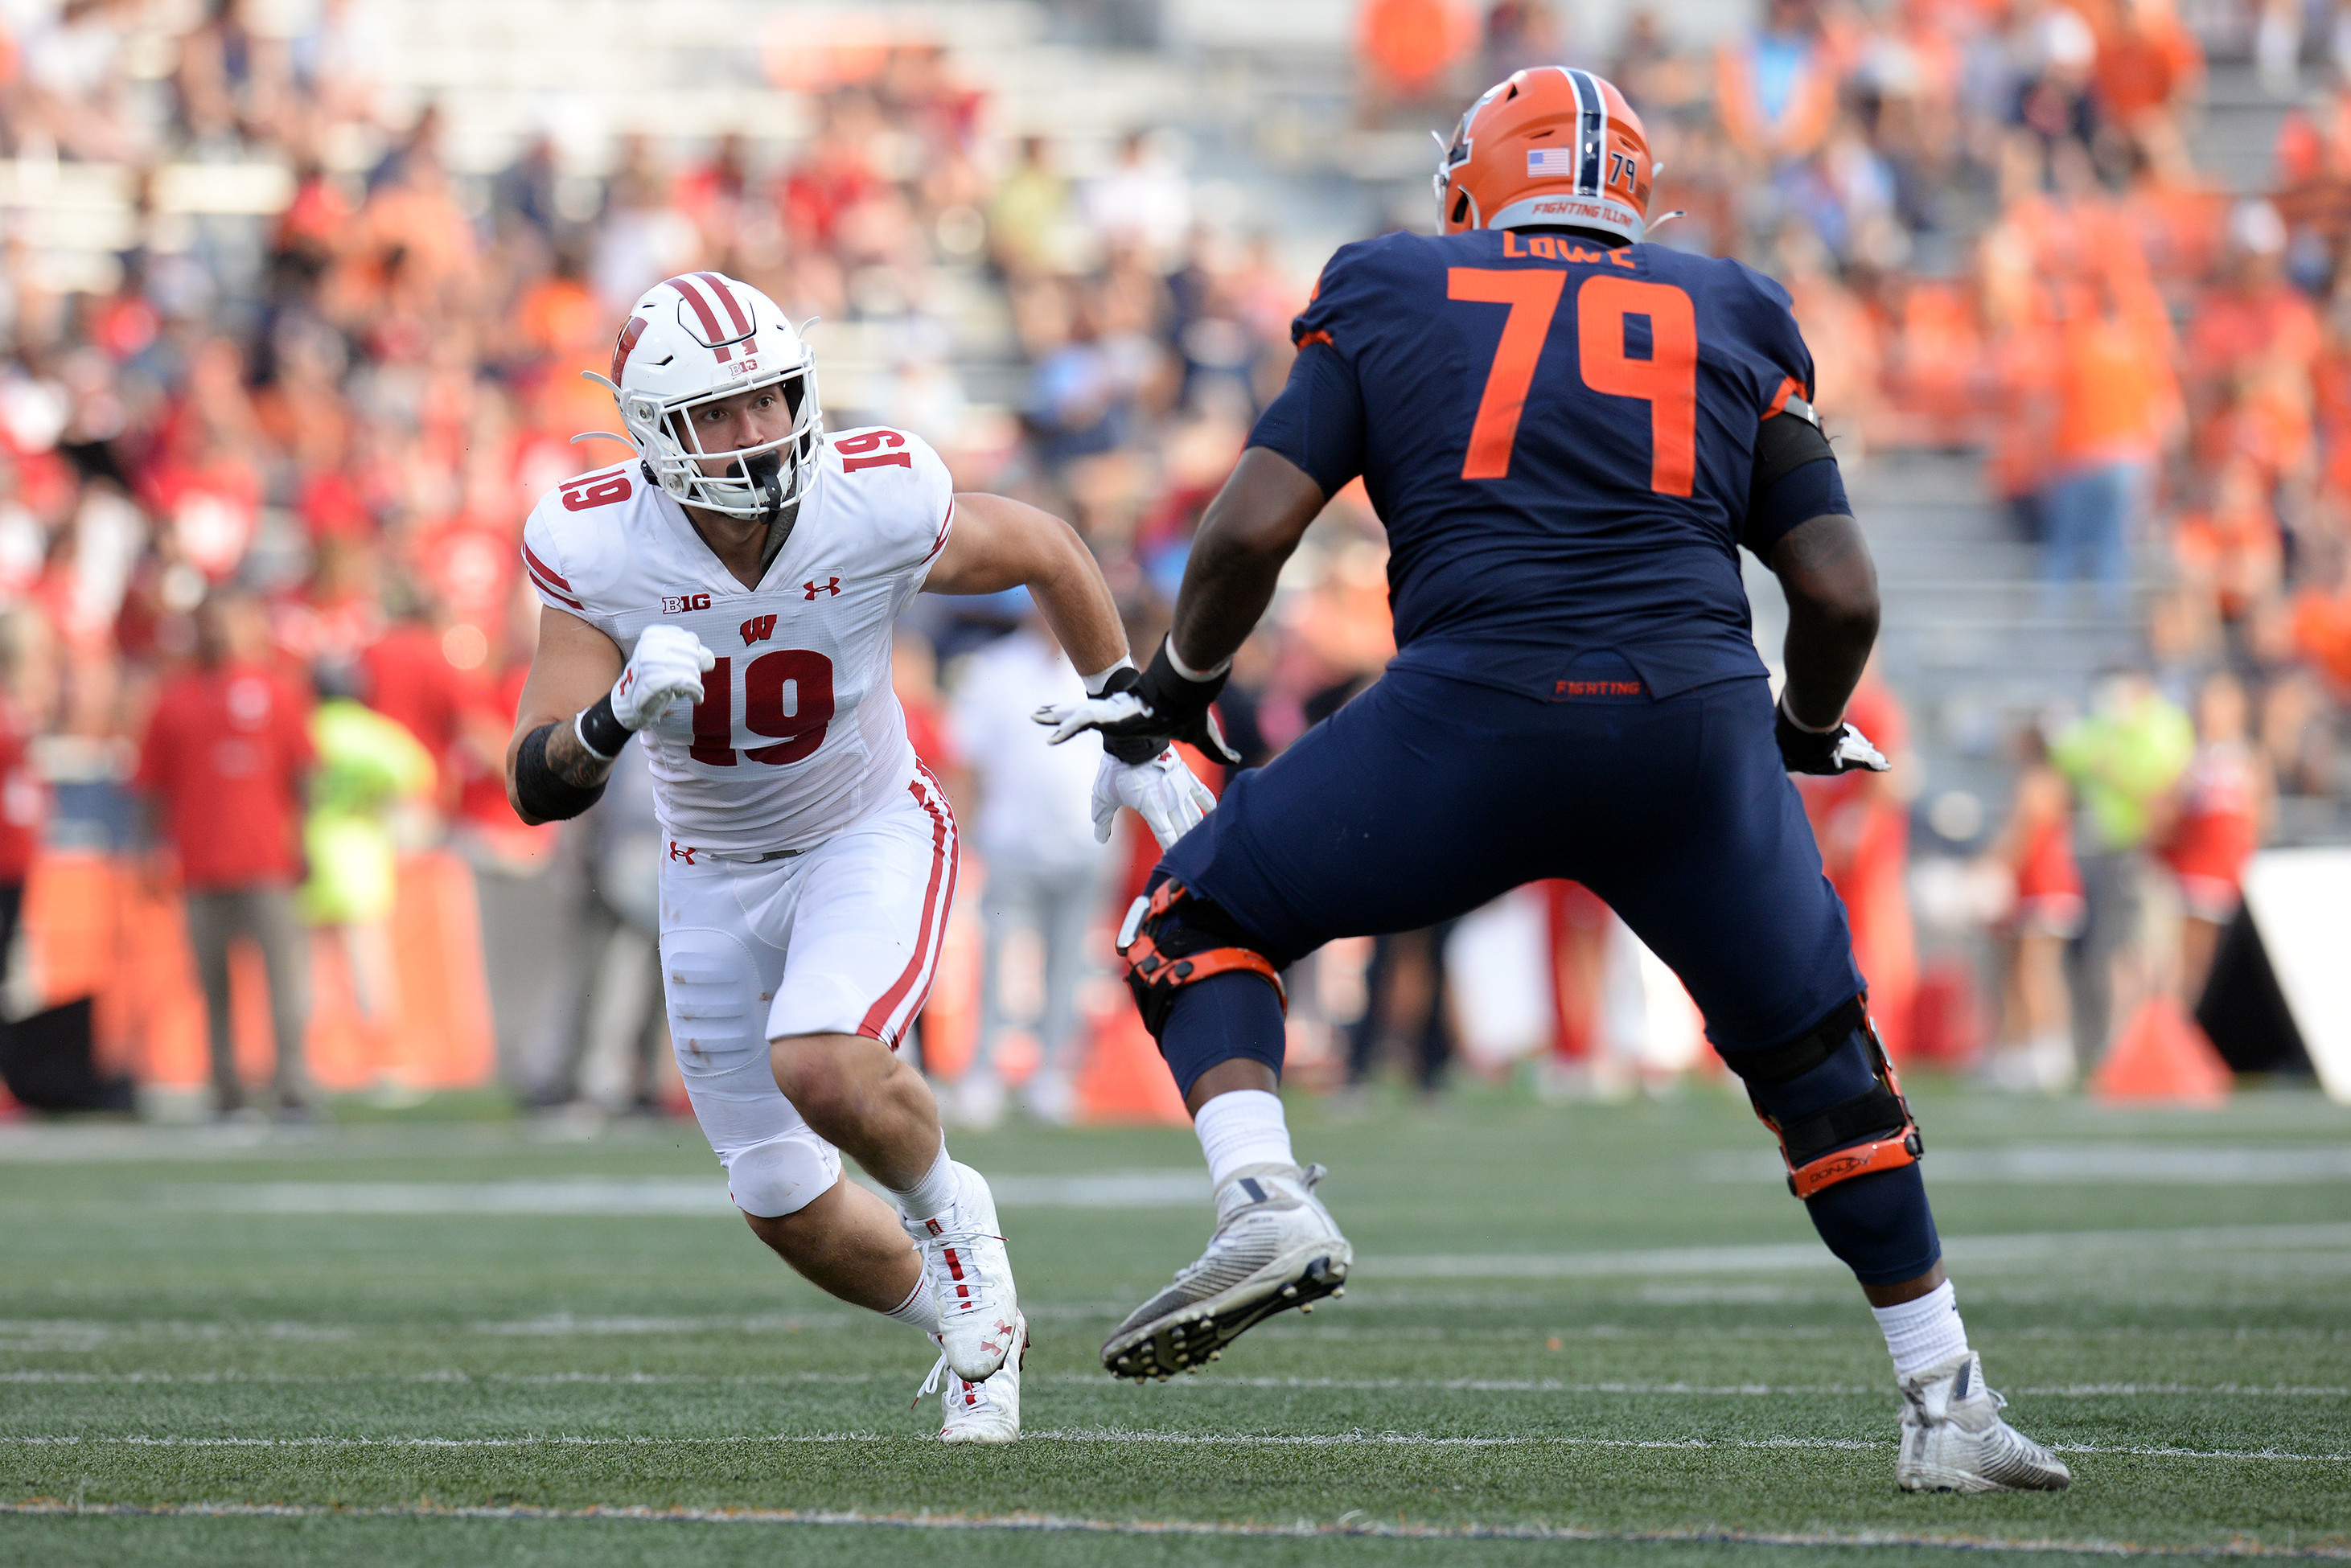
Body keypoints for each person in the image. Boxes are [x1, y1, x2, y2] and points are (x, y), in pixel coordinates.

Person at [1039, 69, 2069, 1492]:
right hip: (1690, 730)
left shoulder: (1392, 283)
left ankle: (1263, 1193)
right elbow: (1835, 591)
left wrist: (1176, 691)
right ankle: (1942, 1392)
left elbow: (1249, 527)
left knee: (1189, 920)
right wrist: (1798, 725)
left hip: (1470, 714)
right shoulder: (1731, 305)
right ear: (1629, 198)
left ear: (1473, 181)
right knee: (1816, 1064)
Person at [501, 271, 1213, 1443]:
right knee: (778, 1195)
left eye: (772, 399)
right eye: (720, 414)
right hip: (708, 864)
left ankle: (956, 1218)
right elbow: (535, 784)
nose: (759, 434)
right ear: (652, 430)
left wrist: (1122, 712)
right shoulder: (597, 543)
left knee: (823, 1066)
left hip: (865, 828)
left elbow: (1043, 543)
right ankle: (971, 1325)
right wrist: (612, 717)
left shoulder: (868, 498)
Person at [134, 590, 317, 1119]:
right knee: (212, 984)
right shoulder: (173, 699)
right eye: (211, 625)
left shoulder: (280, 693)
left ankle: (292, 1085)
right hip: (199, 862)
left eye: (230, 624)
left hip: (266, 861)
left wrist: (302, 840)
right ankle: (226, 1088)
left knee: (284, 982)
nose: (219, 635)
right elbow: (152, 786)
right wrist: (150, 849)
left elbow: (302, 773)